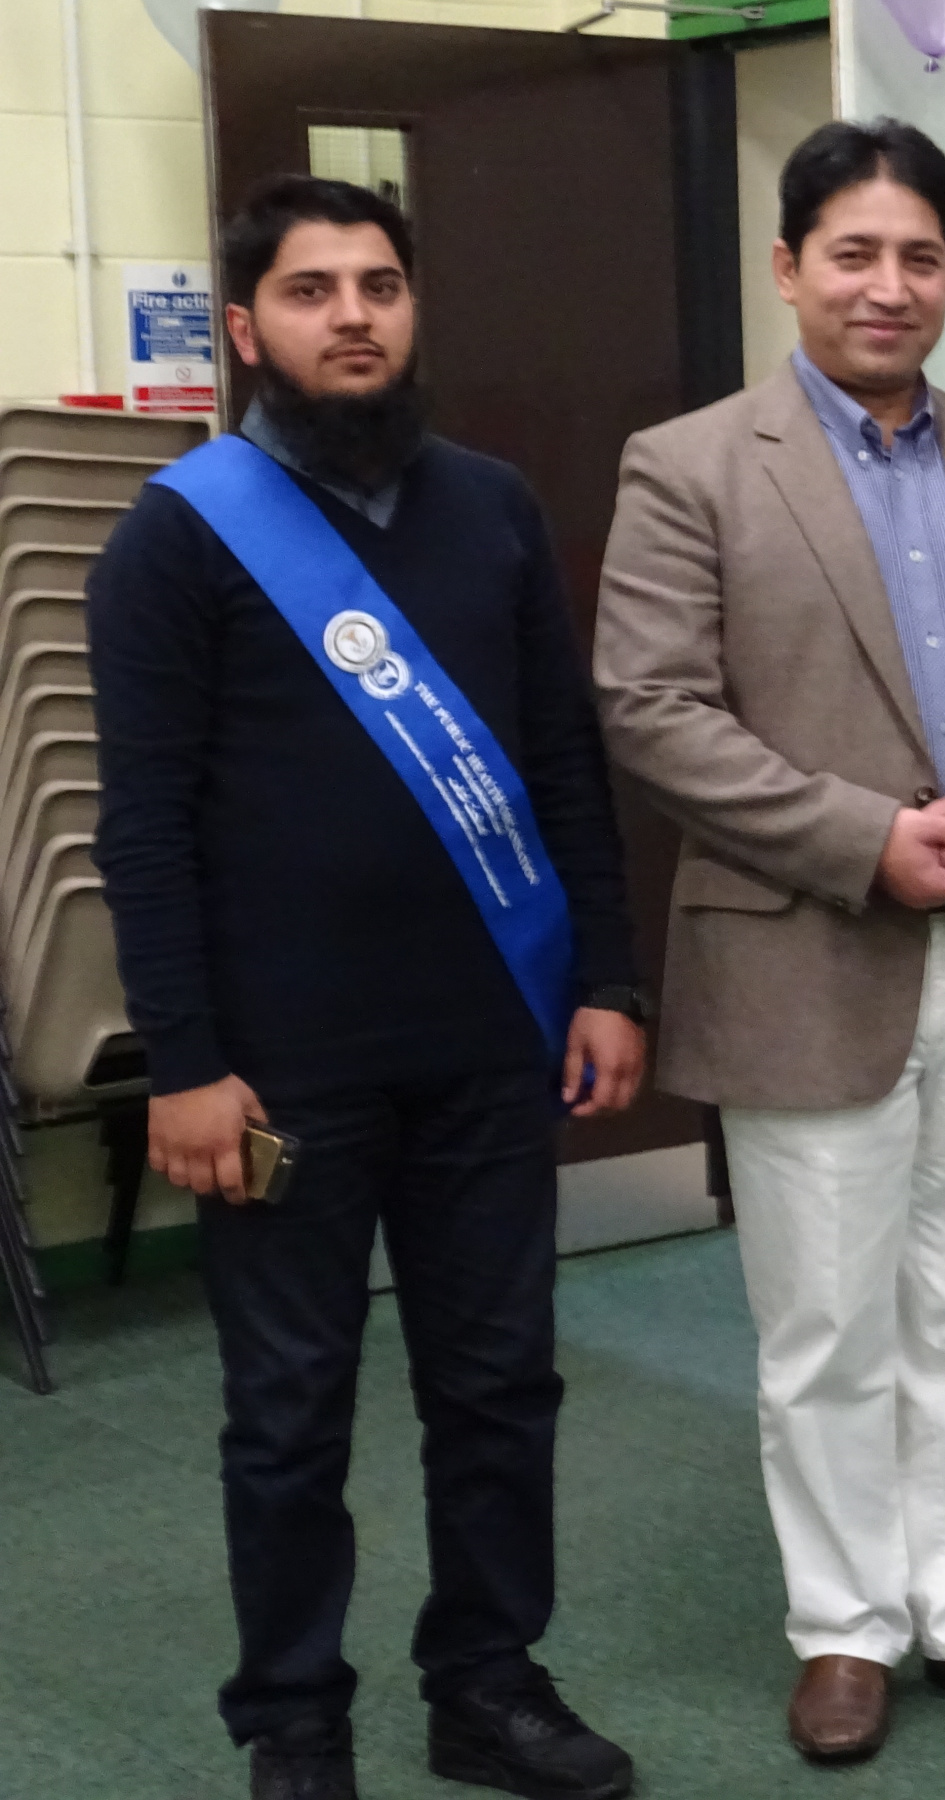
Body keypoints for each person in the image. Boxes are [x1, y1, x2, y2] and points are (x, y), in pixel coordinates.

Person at [591, 119, 945, 1766]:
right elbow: (651, 708)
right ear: (789, 267)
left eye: (919, 256)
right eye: (853, 253)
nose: (888, 286)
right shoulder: (692, 465)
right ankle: (844, 1626)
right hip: (805, 954)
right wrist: (865, 840)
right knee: (827, 1330)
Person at [89, 174, 650, 1800]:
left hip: (487, 1045)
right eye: (314, 289)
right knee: (288, 1410)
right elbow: (142, 825)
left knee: (500, 1385)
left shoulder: (493, 508)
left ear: (412, 308)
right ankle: (293, 1720)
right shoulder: (179, 536)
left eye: (381, 285)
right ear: (247, 325)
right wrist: (183, 1061)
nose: (354, 316)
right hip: (280, 1074)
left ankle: (487, 1685)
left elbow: (561, 761)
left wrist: (608, 978)